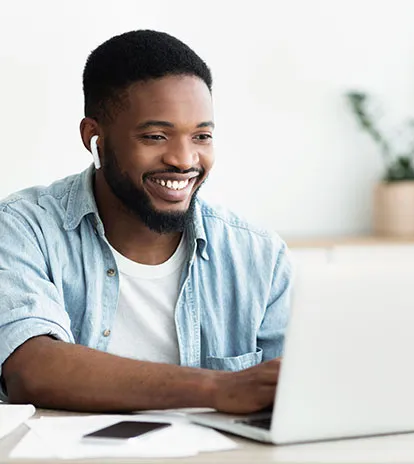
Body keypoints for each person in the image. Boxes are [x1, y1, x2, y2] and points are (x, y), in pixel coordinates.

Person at [0, 30, 291, 413]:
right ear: (94, 137)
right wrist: (218, 388)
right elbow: (31, 368)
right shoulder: (24, 228)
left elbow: (295, 391)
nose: (184, 160)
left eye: (201, 136)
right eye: (156, 136)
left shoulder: (259, 255)